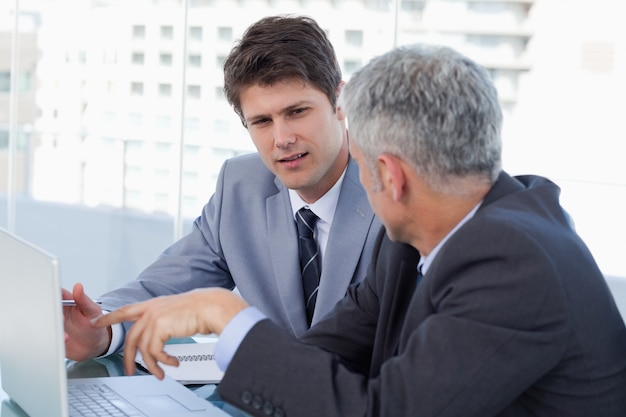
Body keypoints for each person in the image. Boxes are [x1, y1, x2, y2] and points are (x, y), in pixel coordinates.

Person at [94, 44, 626, 416]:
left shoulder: (513, 261)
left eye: (363, 162)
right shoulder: (417, 245)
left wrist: (225, 314)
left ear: (389, 175)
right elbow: (320, 353)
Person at [63, 15, 382, 361]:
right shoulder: (240, 184)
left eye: (297, 112)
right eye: (262, 121)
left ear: (340, 102)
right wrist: (103, 329)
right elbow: (164, 285)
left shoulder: (393, 192)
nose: (282, 139)